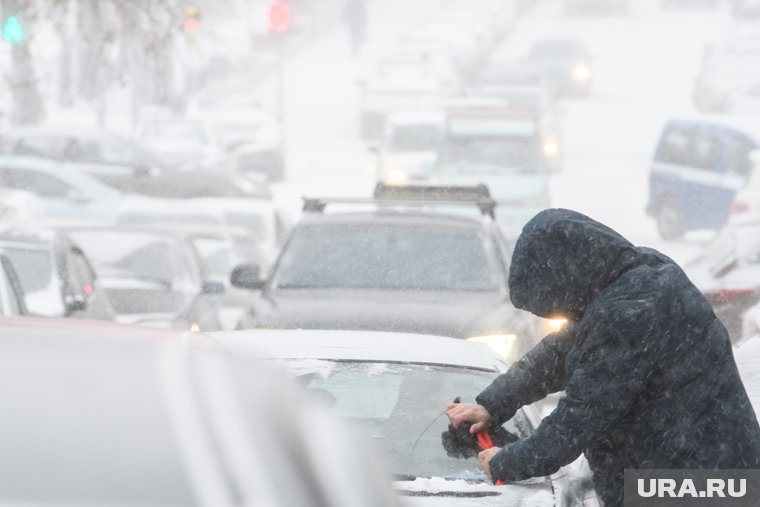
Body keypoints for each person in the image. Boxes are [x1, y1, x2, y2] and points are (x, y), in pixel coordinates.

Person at [446, 208, 760, 507]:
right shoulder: (635, 278)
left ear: (567, 278)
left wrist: (506, 462)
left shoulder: (630, 310)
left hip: (692, 482)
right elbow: (563, 350)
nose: (561, 314)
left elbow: (580, 418)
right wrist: (493, 404)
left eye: (554, 304)